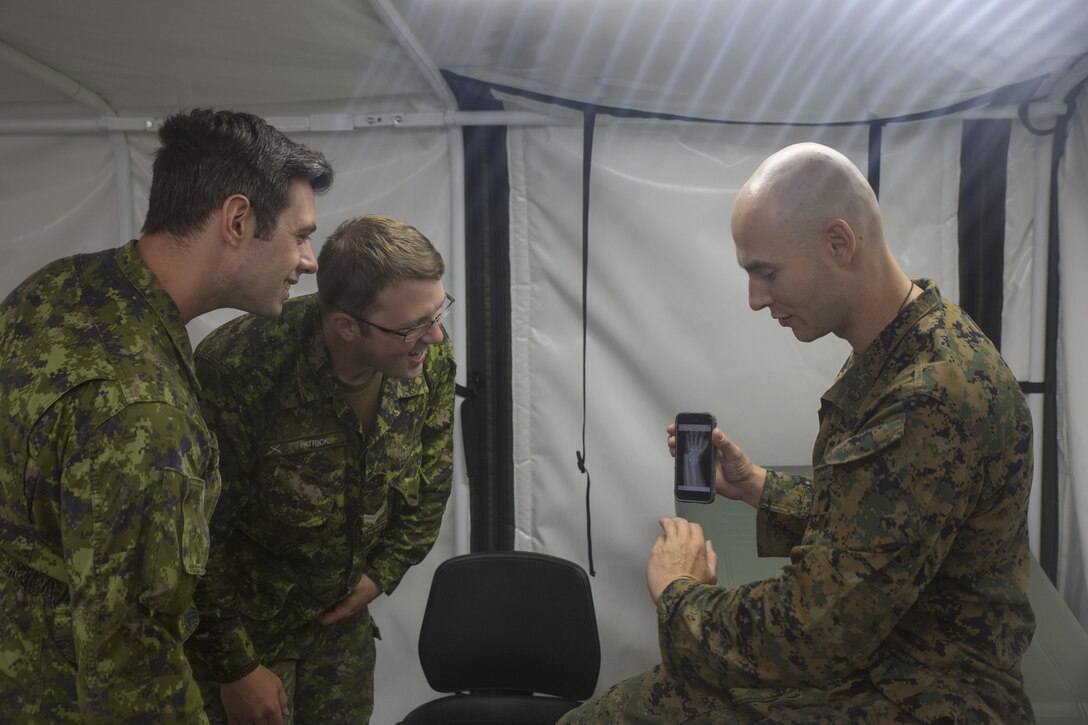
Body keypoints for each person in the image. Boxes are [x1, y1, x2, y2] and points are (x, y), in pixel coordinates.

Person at [560, 142, 1036, 723]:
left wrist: (678, 593)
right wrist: (759, 485)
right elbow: (877, 517)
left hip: (922, 695)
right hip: (882, 664)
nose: (756, 299)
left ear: (839, 243)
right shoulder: (901, 348)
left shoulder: (928, 393)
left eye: (766, 271)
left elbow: (817, 629)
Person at [0, 108, 333, 722]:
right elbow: (132, 670)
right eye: (301, 234)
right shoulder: (146, 414)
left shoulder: (53, 290)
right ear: (237, 220)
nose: (310, 261)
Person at [184, 214, 457, 724]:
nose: (436, 337)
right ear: (347, 326)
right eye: (416, 326)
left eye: (438, 313)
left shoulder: (427, 362)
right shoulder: (241, 368)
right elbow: (200, 536)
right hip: (242, 638)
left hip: (340, 634)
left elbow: (430, 488)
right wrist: (237, 666)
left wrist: (379, 576)